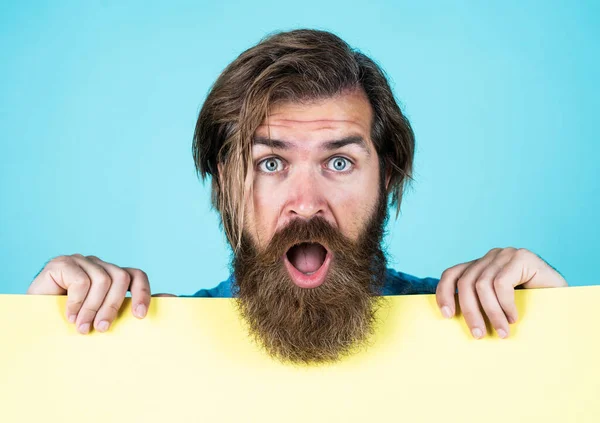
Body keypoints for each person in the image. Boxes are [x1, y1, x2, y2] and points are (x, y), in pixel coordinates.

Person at [26, 29, 568, 364]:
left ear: (388, 178)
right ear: (224, 187)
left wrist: (560, 330)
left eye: (339, 162)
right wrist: (38, 346)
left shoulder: (472, 326)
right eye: (270, 163)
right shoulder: (151, 345)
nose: (306, 203)